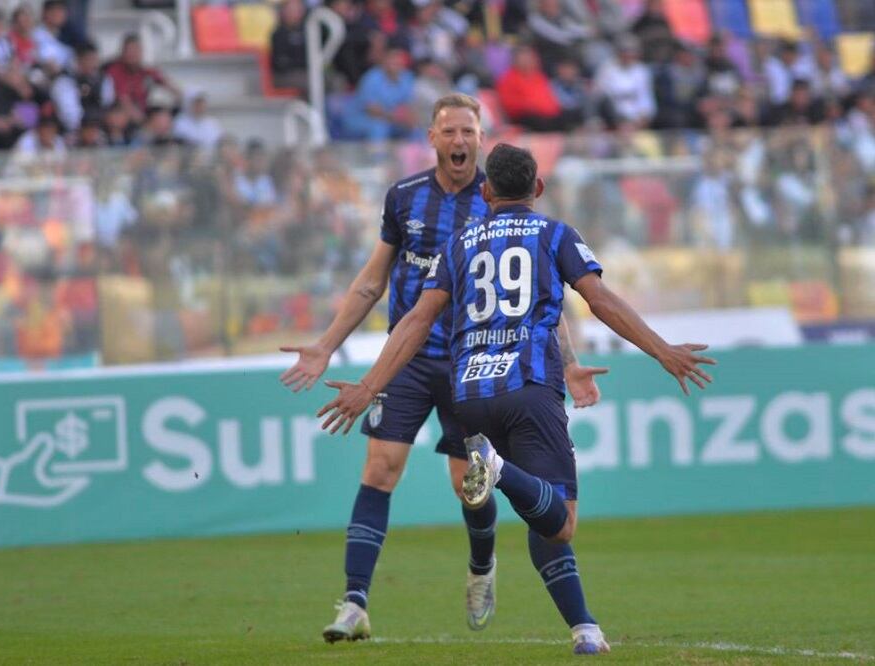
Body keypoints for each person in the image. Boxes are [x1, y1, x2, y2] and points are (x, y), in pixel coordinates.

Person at [316, 143, 716, 654]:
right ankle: (500, 472)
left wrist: (370, 386)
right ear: (539, 189)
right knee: (561, 522)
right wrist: (661, 350)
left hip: (470, 396)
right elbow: (599, 300)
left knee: (537, 510)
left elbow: (416, 319)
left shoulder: (458, 243)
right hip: (528, 389)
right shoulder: (554, 234)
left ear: (486, 191)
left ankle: (585, 629)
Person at [280, 94, 606, 643]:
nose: (458, 141)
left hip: (476, 362)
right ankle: (355, 602)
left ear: (481, 139)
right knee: (380, 468)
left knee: (466, 484)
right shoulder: (404, 198)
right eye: (449, 131)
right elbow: (371, 281)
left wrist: (568, 364)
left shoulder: (499, 200)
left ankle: (482, 567)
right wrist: (326, 345)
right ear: (431, 138)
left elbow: (535, 297)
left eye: (468, 132)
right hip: (407, 360)